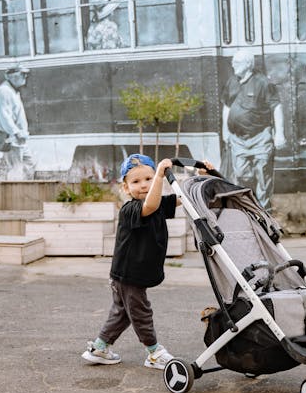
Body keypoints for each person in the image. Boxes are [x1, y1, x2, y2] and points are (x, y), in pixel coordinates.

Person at [82, 153, 214, 369]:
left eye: (148, 179)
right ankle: (154, 352)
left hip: (133, 275)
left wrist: (201, 177)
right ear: (126, 189)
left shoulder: (159, 203)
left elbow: (185, 197)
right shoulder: (131, 209)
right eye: (135, 181)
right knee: (141, 313)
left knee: (123, 313)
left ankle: (99, 347)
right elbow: (149, 206)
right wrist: (160, 176)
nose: (143, 185)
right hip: (128, 276)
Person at [221, 49, 285, 210]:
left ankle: (265, 215)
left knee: (263, 176)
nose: (233, 65)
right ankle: (249, 209)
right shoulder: (232, 82)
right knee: (241, 174)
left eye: (237, 62)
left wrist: (280, 134)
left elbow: (276, 107)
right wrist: (225, 131)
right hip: (238, 139)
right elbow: (227, 107)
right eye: (233, 62)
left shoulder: (264, 83)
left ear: (248, 65)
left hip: (260, 137)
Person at [0, 64, 36, 181]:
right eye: (23, 74)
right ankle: (16, 192)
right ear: (14, 77)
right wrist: (16, 132)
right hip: (13, 138)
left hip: (19, 138)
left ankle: (21, 186)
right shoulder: (5, 91)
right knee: (16, 168)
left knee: (30, 163)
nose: (26, 77)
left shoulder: (12, 90)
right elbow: (4, 116)